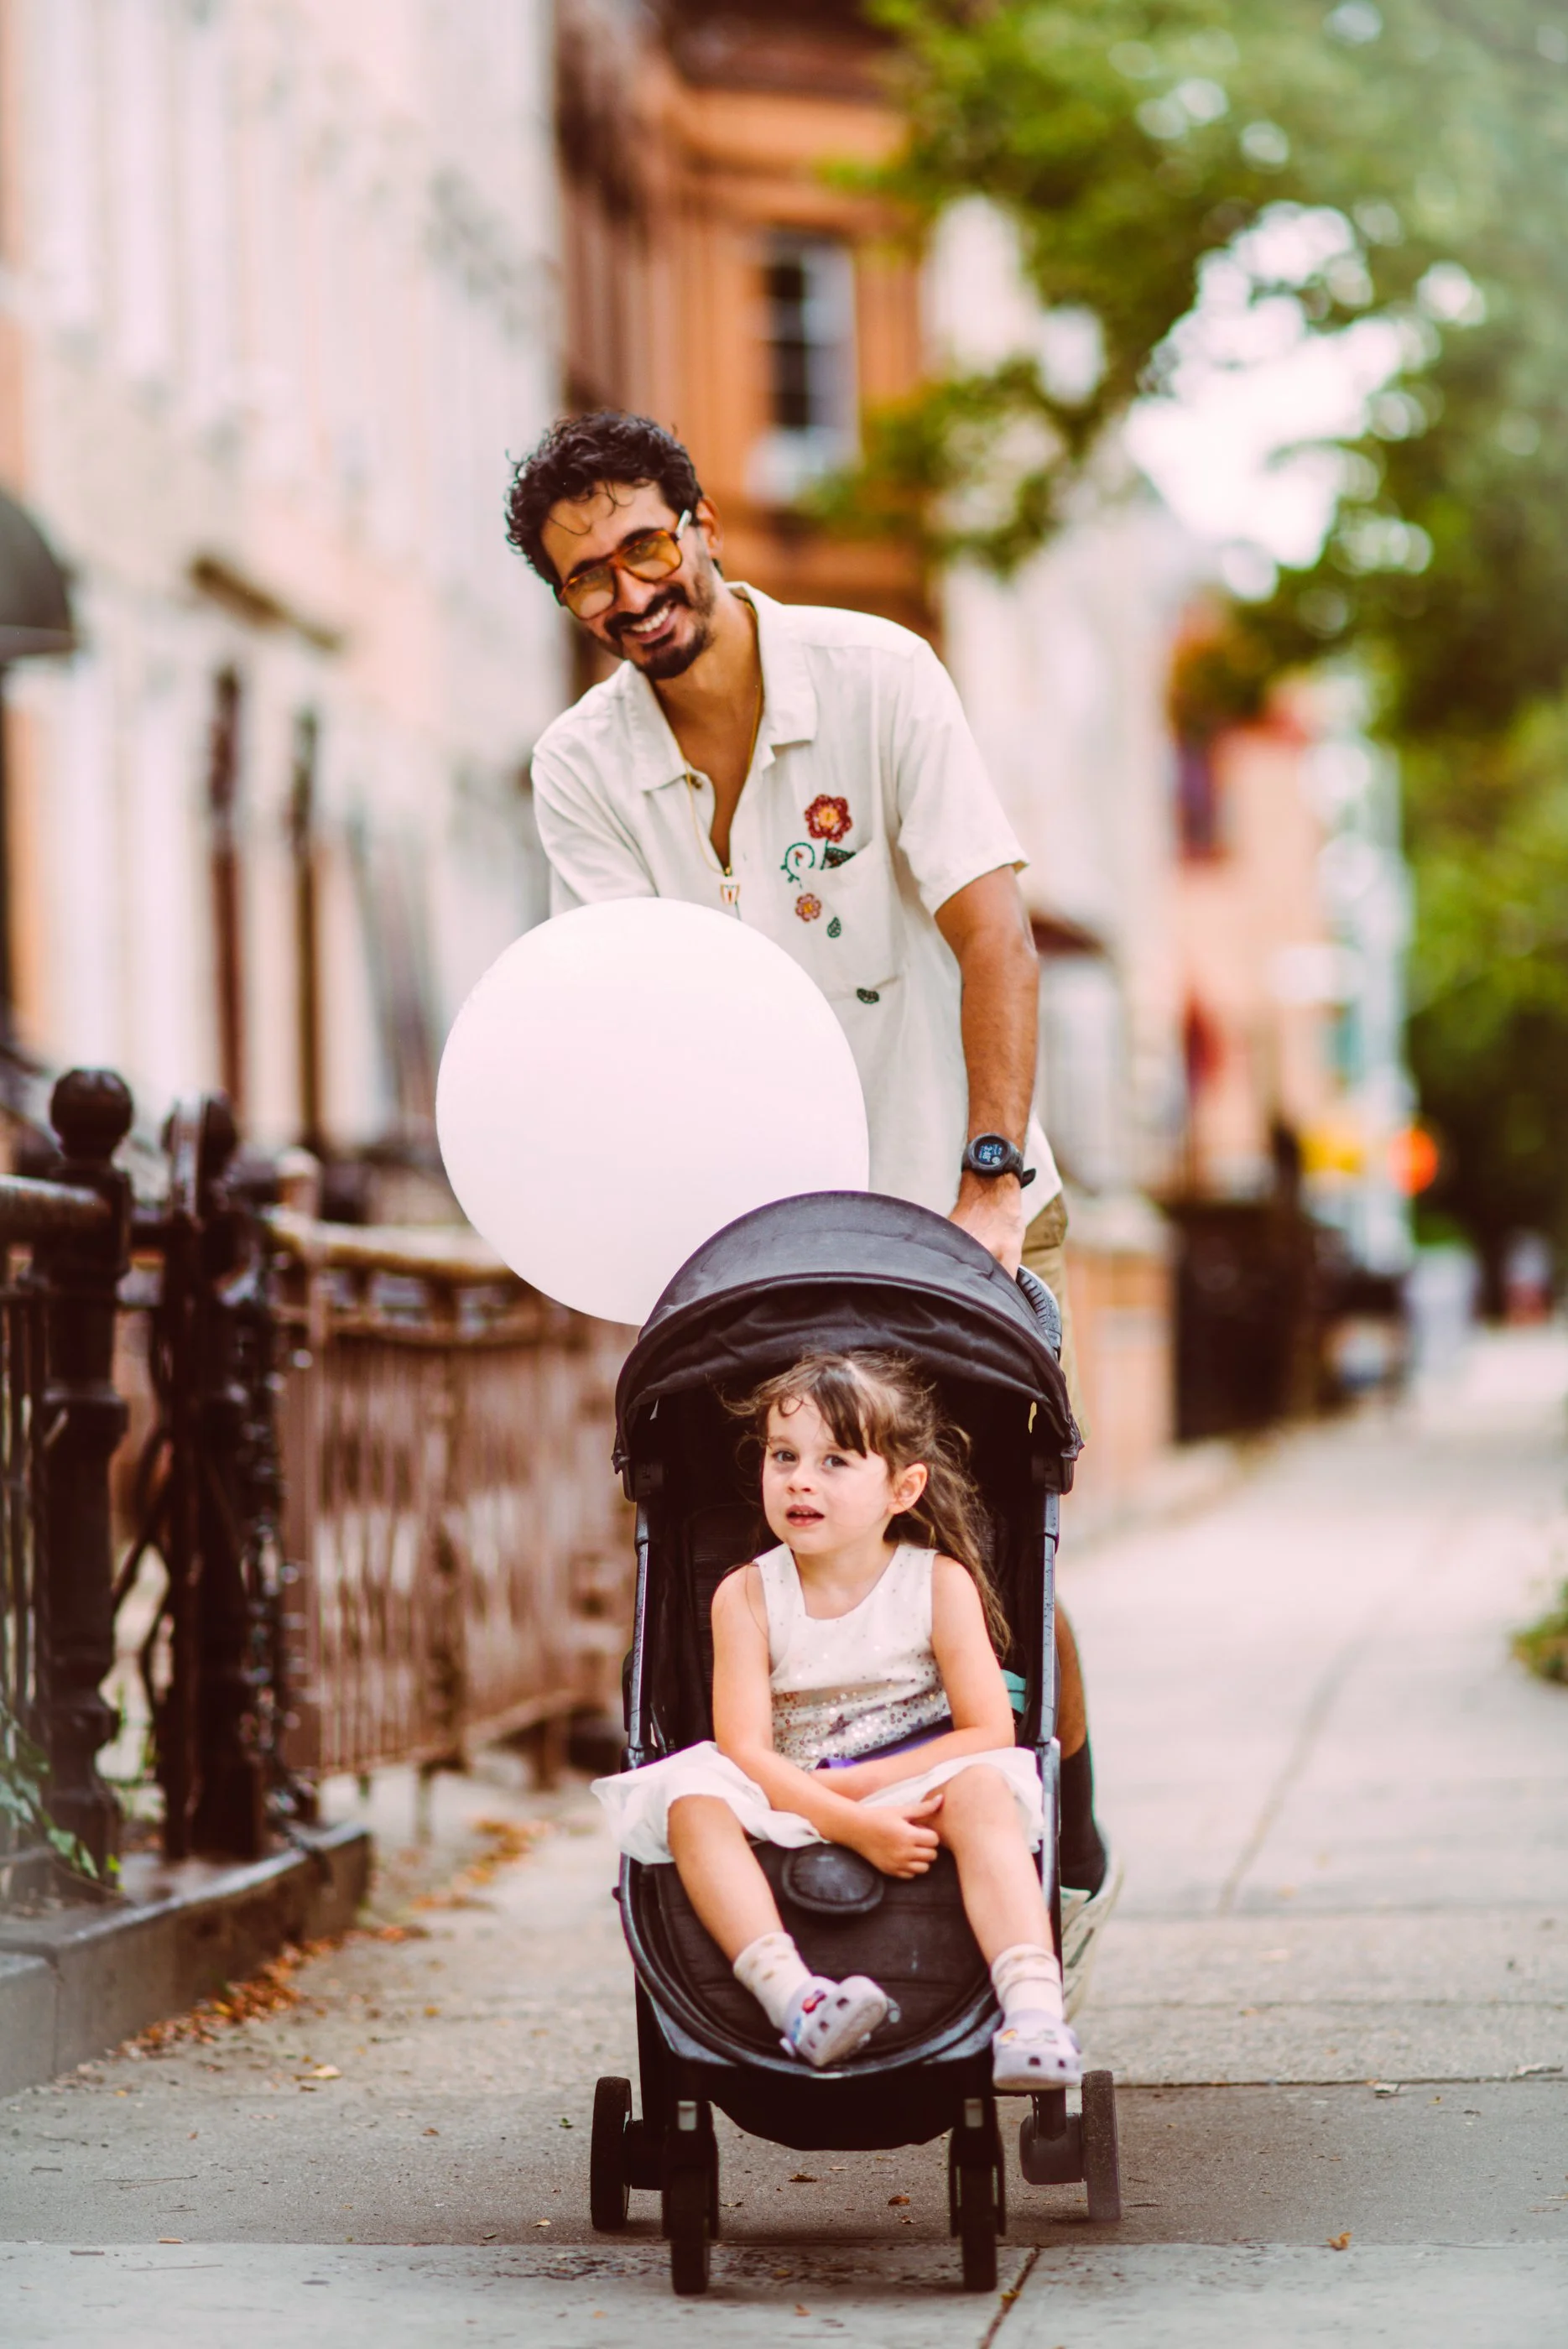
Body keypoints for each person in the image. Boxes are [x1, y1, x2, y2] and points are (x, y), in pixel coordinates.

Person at [504, 409, 1116, 1961]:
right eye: (587, 577)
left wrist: (986, 1181)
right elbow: (635, 1007)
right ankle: (799, 1835)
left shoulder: (874, 676)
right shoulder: (579, 769)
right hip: (759, 1241)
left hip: (941, 1187)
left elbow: (992, 932)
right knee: (795, 1535)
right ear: (568, 601)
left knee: (976, 1535)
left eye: (646, 545)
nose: (629, 590)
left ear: (700, 526)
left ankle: (1060, 1771)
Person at [593, 1351, 1082, 2086]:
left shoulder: (936, 1582)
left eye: (834, 1462)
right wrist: (847, 1820)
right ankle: (796, 1999)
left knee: (984, 1787)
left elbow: (987, 1729)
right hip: (785, 1785)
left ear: (902, 1487)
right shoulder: (748, 1595)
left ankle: (1033, 2010)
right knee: (692, 1800)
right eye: (783, 1456)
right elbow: (744, 1750)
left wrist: (865, 1789)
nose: (799, 1480)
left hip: (914, 1776)